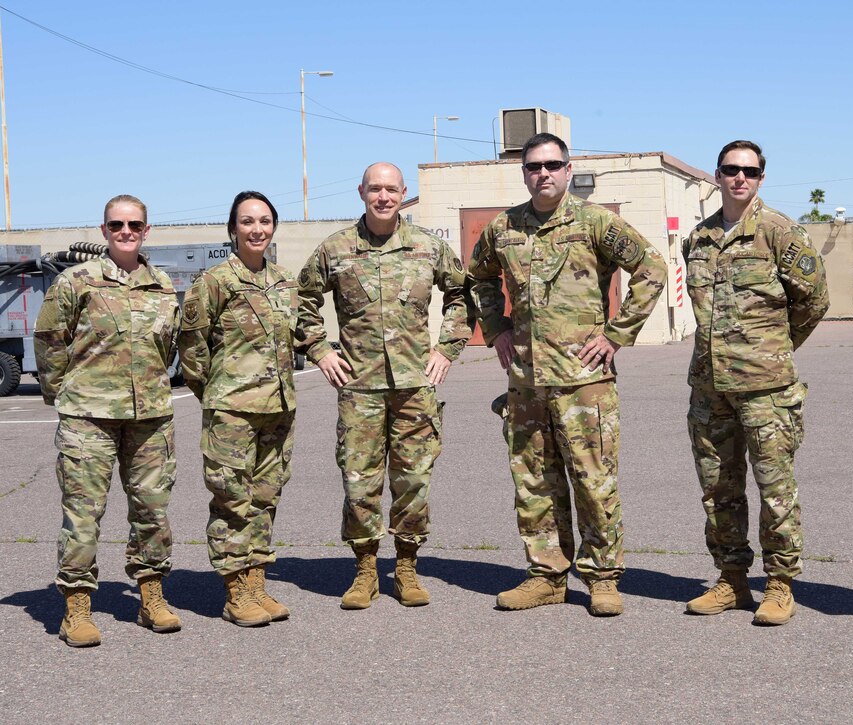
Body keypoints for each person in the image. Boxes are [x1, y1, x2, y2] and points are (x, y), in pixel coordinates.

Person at [468, 132, 667, 616]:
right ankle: (546, 575)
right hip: (526, 381)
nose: (544, 173)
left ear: (568, 169)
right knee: (534, 482)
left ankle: (602, 578)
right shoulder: (503, 228)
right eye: (534, 166)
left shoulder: (596, 222)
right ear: (523, 173)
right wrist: (496, 328)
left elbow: (652, 269)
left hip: (584, 380)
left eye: (553, 165)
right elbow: (477, 278)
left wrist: (617, 335)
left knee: (594, 482)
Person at [296, 162, 470, 609]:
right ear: (361, 192)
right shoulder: (335, 249)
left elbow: (461, 295)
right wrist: (320, 350)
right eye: (375, 189)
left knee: (413, 480)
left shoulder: (428, 247)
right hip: (360, 388)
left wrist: (447, 348)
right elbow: (301, 301)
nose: (383, 197)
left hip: (415, 385)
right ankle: (365, 571)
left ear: (403, 192)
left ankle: (407, 568)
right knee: (359, 484)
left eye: (391, 189)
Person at [682, 140, 829, 626]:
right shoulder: (699, 238)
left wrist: (775, 349)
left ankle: (780, 584)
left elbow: (814, 301)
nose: (739, 178)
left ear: (761, 177)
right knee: (718, 489)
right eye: (730, 170)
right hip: (710, 389)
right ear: (717, 176)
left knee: (775, 489)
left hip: (767, 389)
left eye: (749, 171)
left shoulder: (780, 233)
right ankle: (732, 580)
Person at [34, 195, 182, 647]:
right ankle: (77, 606)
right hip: (89, 418)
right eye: (117, 225)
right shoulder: (76, 281)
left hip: (150, 417)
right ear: (104, 230)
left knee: (152, 511)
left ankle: (151, 596)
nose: (126, 232)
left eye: (134, 224)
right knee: (83, 514)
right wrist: (63, 393)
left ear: (146, 230)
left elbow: (168, 346)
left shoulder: (163, 285)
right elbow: (49, 341)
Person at [179, 191, 298, 627]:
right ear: (233, 229)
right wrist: (218, 395)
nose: (256, 229)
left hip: (278, 409)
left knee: (265, 498)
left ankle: (256, 582)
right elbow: (192, 350)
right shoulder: (214, 282)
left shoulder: (285, 281)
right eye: (247, 221)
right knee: (232, 499)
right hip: (232, 411)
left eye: (264, 221)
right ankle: (234, 591)